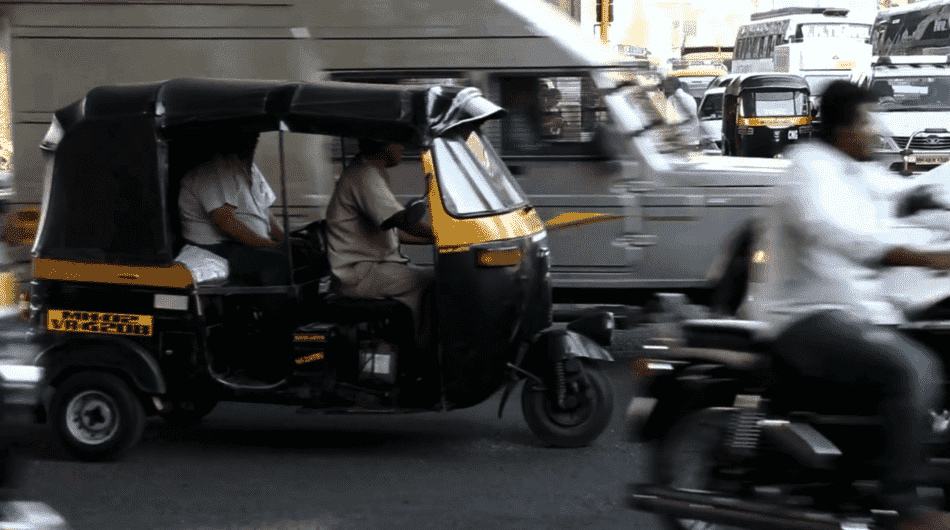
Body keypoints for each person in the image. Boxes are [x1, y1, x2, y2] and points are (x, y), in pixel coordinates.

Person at [747, 81, 950, 529]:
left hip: (860, 308)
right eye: (866, 122)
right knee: (912, 369)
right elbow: (836, 233)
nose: (875, 132)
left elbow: (908, 195)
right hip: (804, 315)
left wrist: (933, 208)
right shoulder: (808, 171)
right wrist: (921, 256)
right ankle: (904, 506)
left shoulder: (856, 171)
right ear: (844, 129)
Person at [325, 139, 433, 343]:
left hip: (371, 269)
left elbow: (392, 232)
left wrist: (433, 240)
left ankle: (414, 344)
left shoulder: (371, 172)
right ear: (384, 143)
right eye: (398, 141)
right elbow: (400, 220)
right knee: (434, 281)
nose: (402, 146)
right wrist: (444, 233)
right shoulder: (365, 175)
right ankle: (423, 352)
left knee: (428, 276)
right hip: (360, 275)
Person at [178, 134, 289, 285]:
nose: (253, 141)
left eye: (255, 137)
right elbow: (225, 221)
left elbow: (266, 213)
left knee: (301, 253)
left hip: (248, 243)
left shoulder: (250, 169)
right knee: (277, 262)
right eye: (249, 135)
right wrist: (269, 245)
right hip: (217, 248)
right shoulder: (212, 170)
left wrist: (285, 241)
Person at [662, 76, 700, 148]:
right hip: (693, 139)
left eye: (666, 87)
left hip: (681, 141)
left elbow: (670, 120)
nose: (664, 90)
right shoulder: (690, 98)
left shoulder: (672, 99)